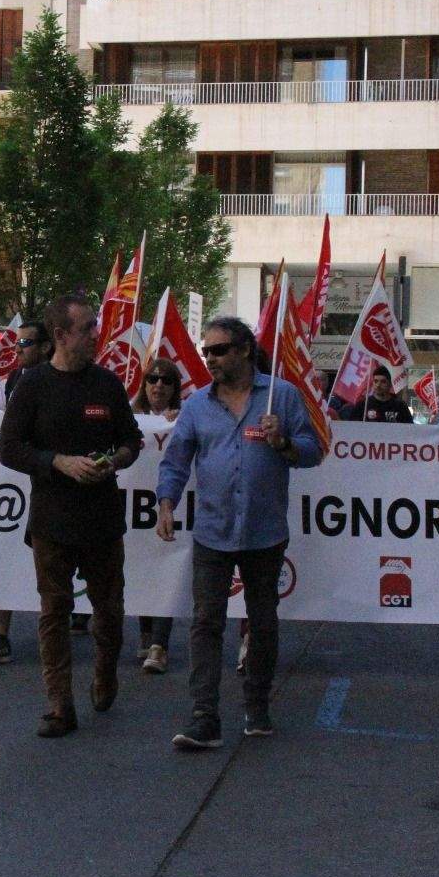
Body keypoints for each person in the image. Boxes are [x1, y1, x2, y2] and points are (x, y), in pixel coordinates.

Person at [156, 317, 323, 748]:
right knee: (205, 623)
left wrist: (284, 442)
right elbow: (176, 460)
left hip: (264, 532)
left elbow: (312, 451)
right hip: (212, 530)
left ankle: (257, 705)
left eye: (219, 350)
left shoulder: (280, 396)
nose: (210, 358)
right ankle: (204, 717)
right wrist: (166, 503)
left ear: (244, 350)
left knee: (262, 622)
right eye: (206, 350)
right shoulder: (196, 406)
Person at [0, 293, 142, 738]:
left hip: (101, 518)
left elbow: (133, 441)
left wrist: (114, 461)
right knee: (54, 611)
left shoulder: (107, 384)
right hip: (52, 520)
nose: (97, 335)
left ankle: (104, 670)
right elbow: (9, 449)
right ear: (60, 335)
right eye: (88, 329)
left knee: (110, 610)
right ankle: (59, 704)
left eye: (96, 327)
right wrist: (57, 462)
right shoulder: (33, 384)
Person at [0, 319, 53, 666]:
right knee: (4, 553)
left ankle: (54, 631)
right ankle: (1, 633)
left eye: (26, 343)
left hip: (49, 481)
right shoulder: (12, 380)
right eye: (18, 342)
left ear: (46, 347)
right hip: (12, 480)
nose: (19, 348)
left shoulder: (59, 381)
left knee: (51, 561)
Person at [132, 358, 184, 675]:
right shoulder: (129, 415)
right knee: (143, 569)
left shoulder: (183, 417)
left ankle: (159, 645)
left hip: (170, 505)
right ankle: (146, 635)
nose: (158, 385)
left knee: (167, 569)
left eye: (166, 381)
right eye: (152, 379)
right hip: (135, 506)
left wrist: (178, 421)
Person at [337, 367, 413, 424]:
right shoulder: (363, 405)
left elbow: (409, 430)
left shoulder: (400, 406)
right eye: (375, 381)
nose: (378, 385)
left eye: (383, 382)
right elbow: (351, 428)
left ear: (390, 384)